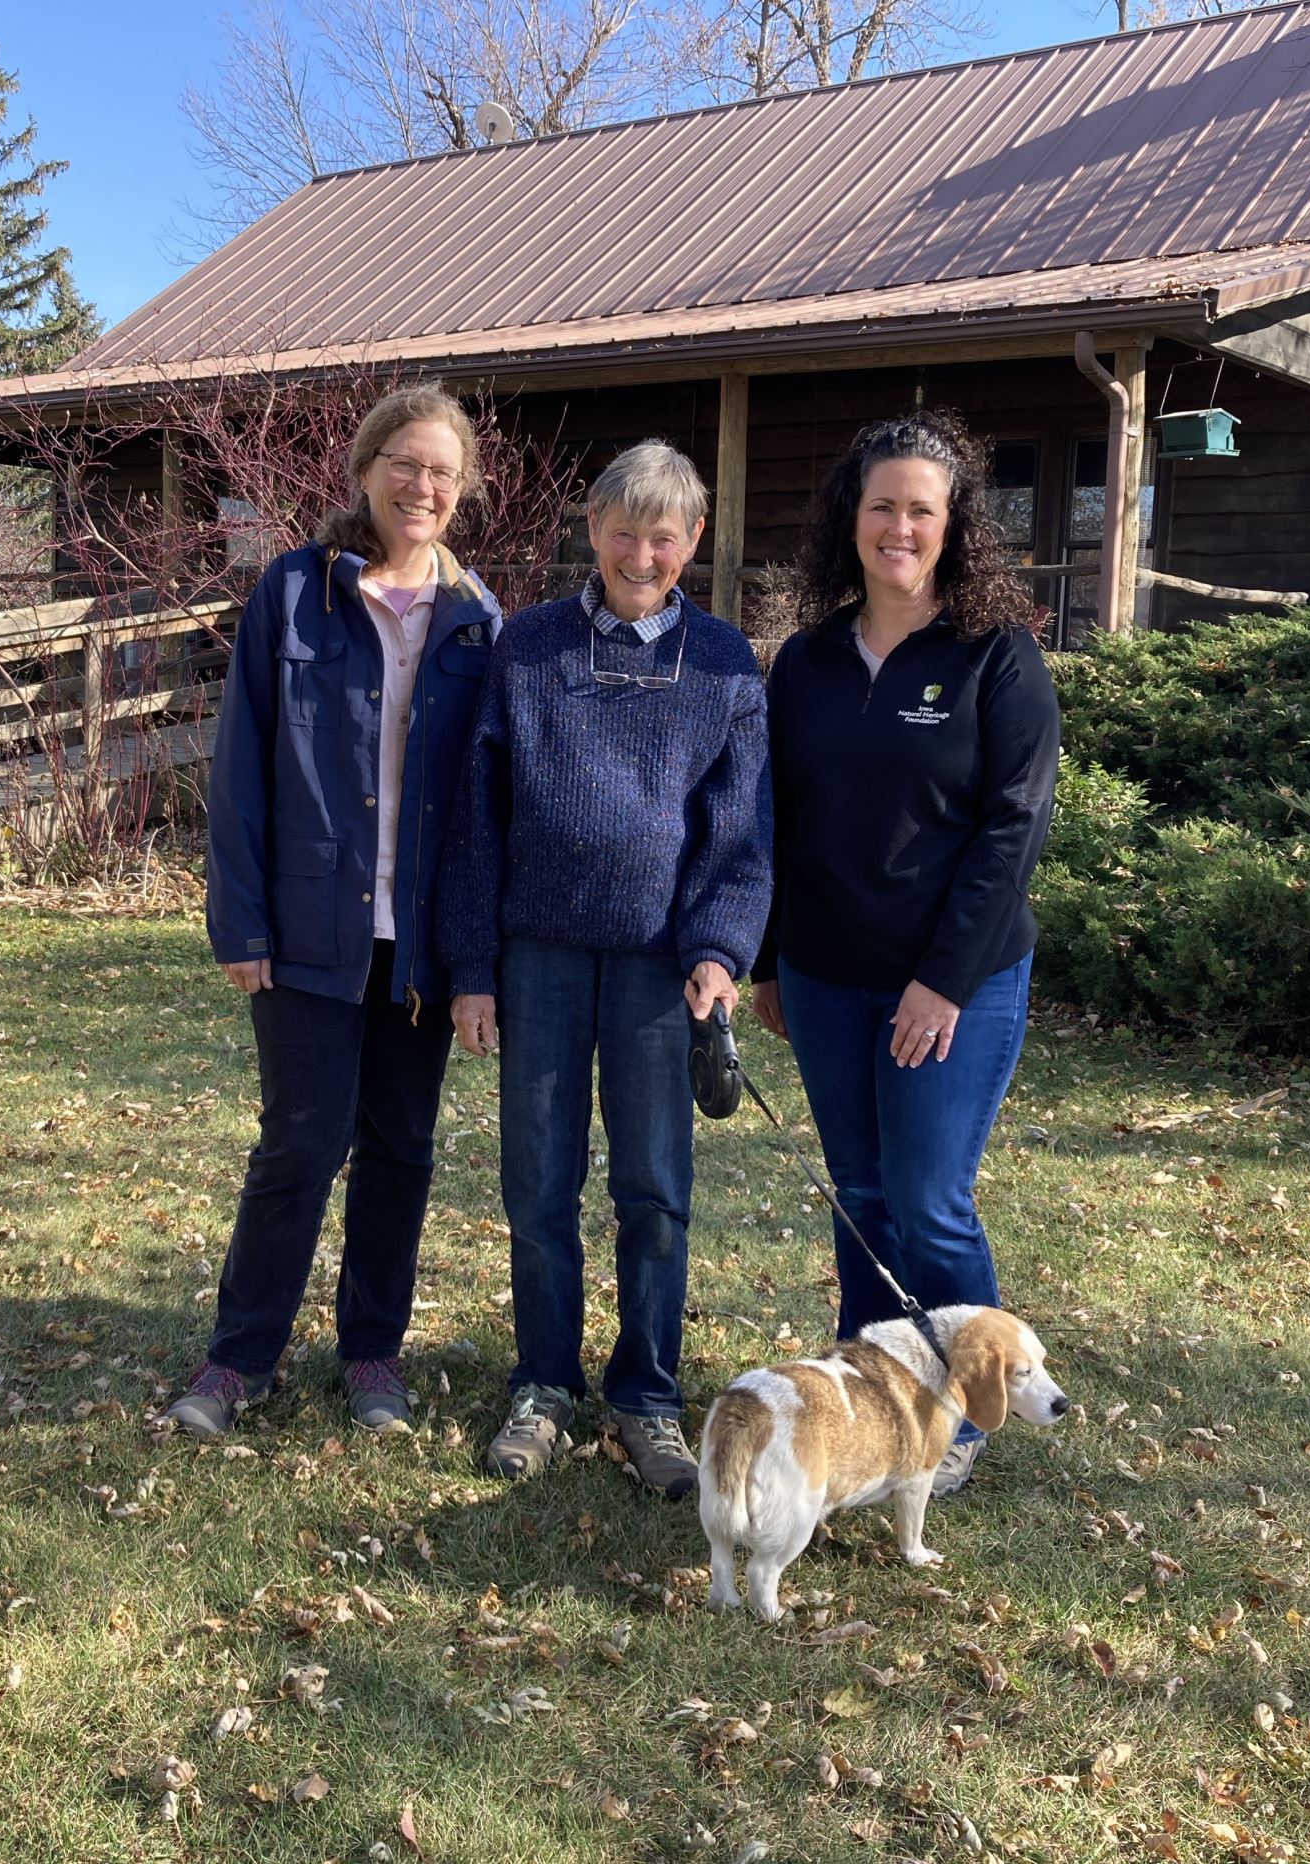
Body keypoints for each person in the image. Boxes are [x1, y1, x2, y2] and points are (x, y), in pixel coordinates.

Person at [165, 385, 504, 1439]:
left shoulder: (477, 621)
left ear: (463, 492)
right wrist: (242, 924)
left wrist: (476, 959)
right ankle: (240, 1357)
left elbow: (490, 806)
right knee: (300, 1145)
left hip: (421, 944)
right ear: (364, 471)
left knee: (400, 1150)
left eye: (443, 471)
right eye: (405, 463)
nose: (423, 486)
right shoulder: (294, 594)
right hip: (309, 929)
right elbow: (239, 770)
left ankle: (371, 1355)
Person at [438, 440, 771, 1499]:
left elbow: (740, 832)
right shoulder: (526, 647)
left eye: (662, 535)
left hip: (657, 969)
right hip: (534, 958)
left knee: (653, 1191)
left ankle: (646, 1398)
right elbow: (476, 823)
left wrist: (720, 950)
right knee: (537, 1185)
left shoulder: (722, 665)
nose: (640, 553)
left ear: (692, 542)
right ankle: (543, 1384)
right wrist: (471, 965)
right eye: (622, 531)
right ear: (591, 531)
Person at [748, 414, 1060, 1498]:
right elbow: (780, 820)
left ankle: (966, 1421)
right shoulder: (808, 661)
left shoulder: (995, 654)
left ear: (953, 524)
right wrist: (771, 960)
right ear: (852, 515)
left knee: (927, 1198)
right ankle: (872, 1400)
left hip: (955, 979)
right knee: (862, 1197)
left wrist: (942, 981)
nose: (898, 526)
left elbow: (1011, 830)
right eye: (881, 505)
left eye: (920, 509)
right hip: (828, 976)